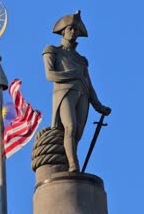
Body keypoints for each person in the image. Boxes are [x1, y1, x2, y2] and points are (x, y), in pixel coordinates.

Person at [43, 10, 111, 172]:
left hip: (83, 96)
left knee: (77, 134)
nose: (73, 32)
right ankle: (74, 165)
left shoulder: (82, 60)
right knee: (70, 127)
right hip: (64, 93)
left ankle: (69, 163)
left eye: (76, 30)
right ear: (63, 31)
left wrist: (98, 106)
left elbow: (89, 85)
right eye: (70, 29)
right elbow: (50, 75)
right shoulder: (52, 50)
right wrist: (74, 74)